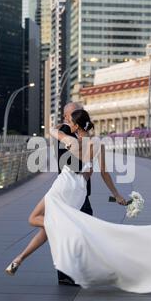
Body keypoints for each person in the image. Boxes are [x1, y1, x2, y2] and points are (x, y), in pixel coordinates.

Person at [5, 109, 151, 294]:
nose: (68, 124)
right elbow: (104, 173)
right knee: (47, 228)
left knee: (34, 218)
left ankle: (68, 229)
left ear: (76, 125)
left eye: (70, 122)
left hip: (64, 185)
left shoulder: (71, 140)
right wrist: (118, 195)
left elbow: (51, 131)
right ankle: (18, 260)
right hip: (79, 190)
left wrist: (60, 124)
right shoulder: (98, 144)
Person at [55, 102, 126, 286]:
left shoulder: (73, 138)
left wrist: (116, 194)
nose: (71, 121)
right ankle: (67, 273)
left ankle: (74, 270)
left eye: (75, 117)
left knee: (81, 230)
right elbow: (68, 163)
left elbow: (102, 171)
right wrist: (86, 169)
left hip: (80, 191)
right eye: (71, 116)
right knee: (73, 230)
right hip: (67, 190)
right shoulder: (70, 137)